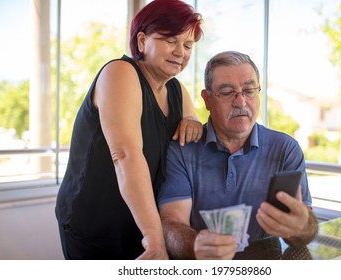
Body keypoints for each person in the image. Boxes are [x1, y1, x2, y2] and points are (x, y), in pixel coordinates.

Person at [55, 0, 203, 260]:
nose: (181, 52)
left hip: (140, 225)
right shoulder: (120, 73)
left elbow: (192, 141)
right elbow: (125, 155)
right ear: (143, 40)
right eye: (171, 41)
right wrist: (155, 238)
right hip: (94, 223)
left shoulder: (177, 90)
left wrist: (193, 122)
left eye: (188, 45)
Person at [157, 51, 318, 260]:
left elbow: (306, 231)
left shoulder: (285, 149)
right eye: (226, 92)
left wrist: (300, 225)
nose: (241, 102)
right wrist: (195, 245)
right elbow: (171, 223)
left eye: (249, 90)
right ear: (207, 100)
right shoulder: (183, 149)